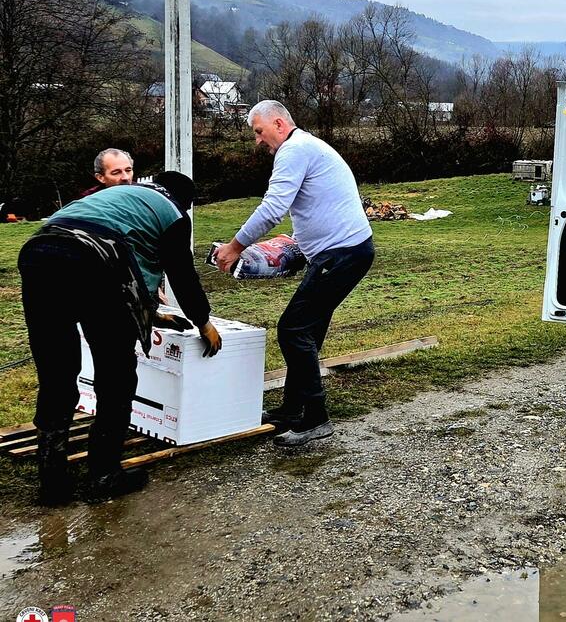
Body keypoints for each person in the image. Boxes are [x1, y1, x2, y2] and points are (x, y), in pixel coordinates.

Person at [18, 172, 222, 505]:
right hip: (94, 260)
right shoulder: (172, 212)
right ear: (184, 201)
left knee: (57, 374)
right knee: (116, 376)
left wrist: (150, 312)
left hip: (39, 253)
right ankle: (104, 475)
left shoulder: (115, 196)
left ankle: (52, 483)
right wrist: (203, 321)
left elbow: (128, 255)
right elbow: (181, 275)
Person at [214, 101, 374, 447]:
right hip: (345, 252)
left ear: (278, 123)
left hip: (342, 253)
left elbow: (273, 208)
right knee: (307, 331)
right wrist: (289, 247)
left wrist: (235, 247)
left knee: (293, 329)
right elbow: (316, 207)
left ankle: (316, 419)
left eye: (259, 132)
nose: (258, 140)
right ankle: (292, 410)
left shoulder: (293, 150)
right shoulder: (307, 147)